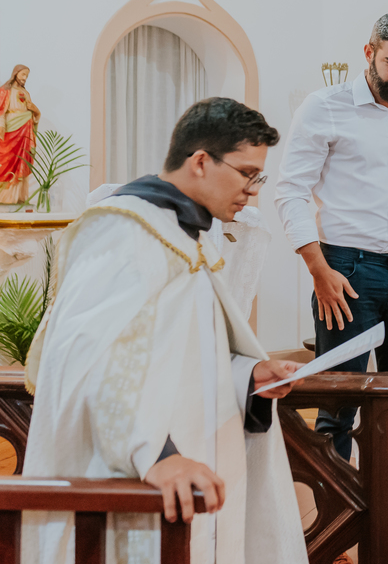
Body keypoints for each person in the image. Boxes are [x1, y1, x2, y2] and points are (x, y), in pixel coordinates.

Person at [22, 98, 307, 564]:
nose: (253, 191)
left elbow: (183, 355)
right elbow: (87, 356)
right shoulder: (123, 232)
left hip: (189, 474)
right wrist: (157, 454)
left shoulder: (181, 237)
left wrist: (247, 376)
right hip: (137, 479)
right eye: (248, 174)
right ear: (200, 161)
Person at [274, 11, 388, 561]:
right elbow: (290, 191)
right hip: (345, 271)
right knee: (337, 404)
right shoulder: (324, 108)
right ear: (368, 51)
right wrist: (318, 268)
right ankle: (332, 528)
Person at [0, 64, 39, 205]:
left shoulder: (26, 93)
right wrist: (1, 124)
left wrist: (36, 112)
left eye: (27, 76)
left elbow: (33, 111)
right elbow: (0, 111)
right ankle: (5, 197)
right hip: (11, 131)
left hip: (25, 131)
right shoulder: (5, 90)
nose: (25, 78)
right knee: (7, 161)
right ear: (15, 73)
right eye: (23, 74)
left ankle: (19, 197)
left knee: (23, 160)